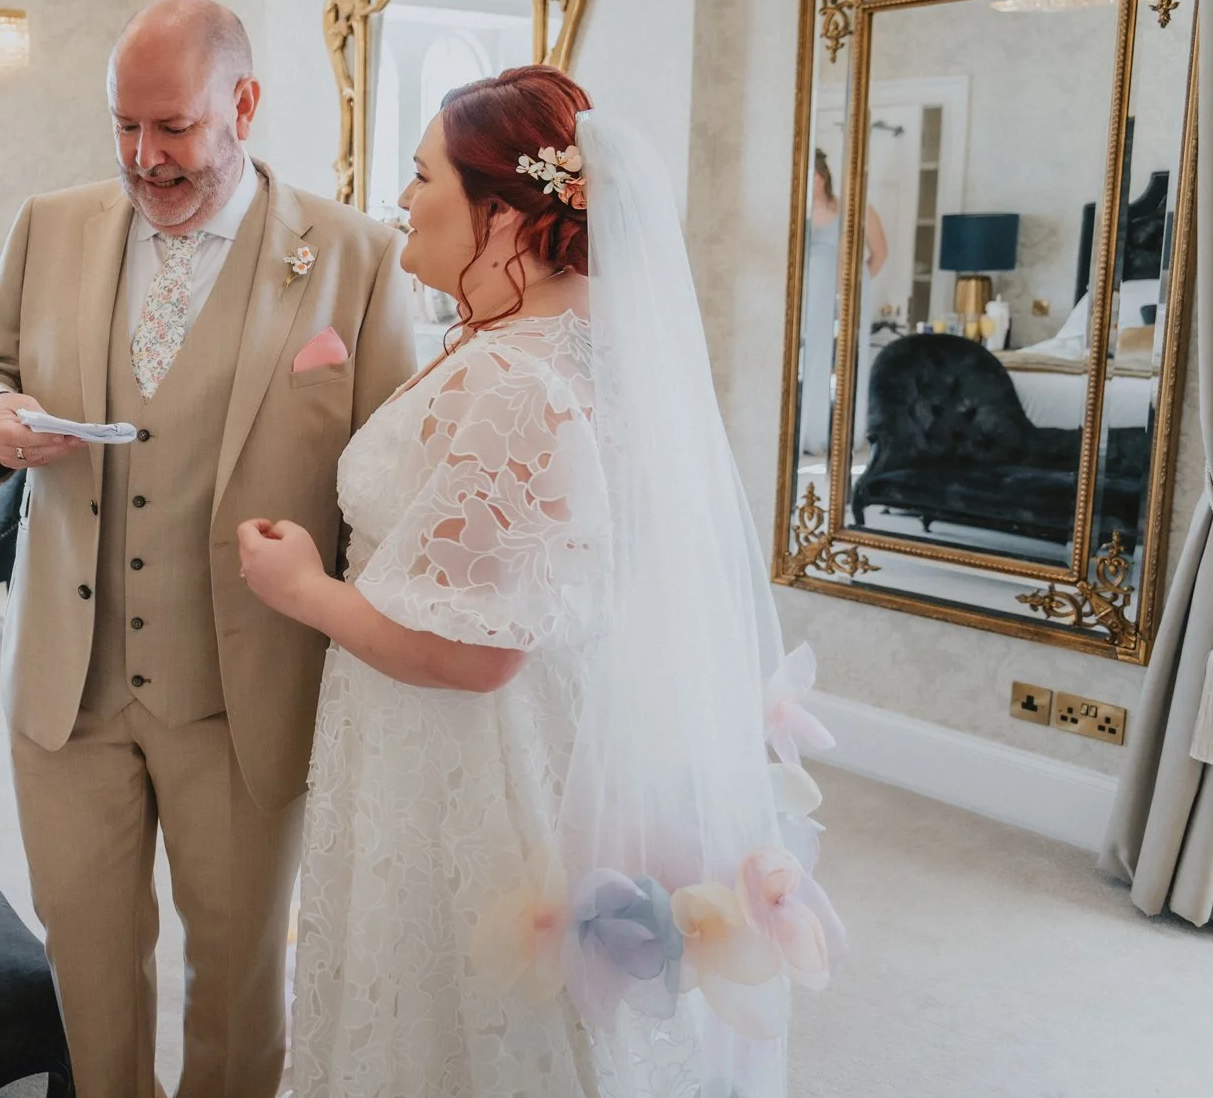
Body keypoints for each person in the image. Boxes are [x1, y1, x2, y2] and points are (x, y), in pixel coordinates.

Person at [239, 66, 844, 1095]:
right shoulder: (586, 348)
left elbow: (472, 653)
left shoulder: (516, 380)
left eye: (422, 174)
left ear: (506, 212)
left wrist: (301, 586)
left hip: (462, 757)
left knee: (458, 1020)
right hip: (552, 726)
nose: (399, 197)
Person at [0, 0, 418, 1098]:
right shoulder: (48, 225)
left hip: (244, 694)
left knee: (241, 977)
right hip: (68, 685)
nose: (143, 158)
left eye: (172, 128)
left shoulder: (354, 256)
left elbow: (390, 480)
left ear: (243, 104)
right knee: (88, 964)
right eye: (123, 127)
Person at [799, 147, 888, 456]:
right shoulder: (800, 213)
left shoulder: (857, 209)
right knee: (814, 361)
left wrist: (854, 287)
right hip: (812, 298)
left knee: (850, 359)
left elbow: (879, 254)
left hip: (849, 296)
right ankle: (812, 433)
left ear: (822, 177)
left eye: (809, 176)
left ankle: (848, 434)